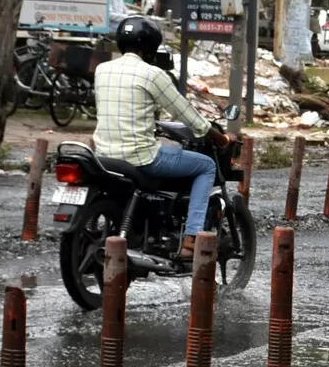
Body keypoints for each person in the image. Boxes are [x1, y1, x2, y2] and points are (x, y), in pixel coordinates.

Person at [93, 17, 231, 259]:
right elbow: (184, 112)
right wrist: (217, 137)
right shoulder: (152, 74)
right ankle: (191, 240)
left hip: (104, 156)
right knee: (206, 166)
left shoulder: (102, 69)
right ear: (150, 47)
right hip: (141, 158)